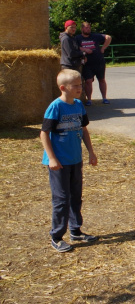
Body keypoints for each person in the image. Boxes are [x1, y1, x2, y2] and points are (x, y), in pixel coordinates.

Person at [40, 69, 99, 252]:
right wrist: (51, 158)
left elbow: (84, 130)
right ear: (63, 88)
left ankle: (76, 230)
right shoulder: (56, 107)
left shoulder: (79, 106)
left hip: (75, 159)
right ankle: (56, 236)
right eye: (76, 85)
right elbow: (44, 133)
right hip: (59, 162)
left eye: (81, 84)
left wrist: (91, 152)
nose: (80, 88)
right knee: (61, 199)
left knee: (75, 196)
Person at [76, 21, 112, 105]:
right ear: (82, 29)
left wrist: (103, 48)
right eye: (86, 27)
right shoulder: (78, 38)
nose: (88, 29)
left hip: (99, 62)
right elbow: (75, 46)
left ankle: (104, 98)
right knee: (88, 81)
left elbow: (108, 37)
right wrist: (85, 50)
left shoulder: (95, 36)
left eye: (89, 27)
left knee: (102, 79)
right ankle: (89, 100)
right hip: (87, 63)